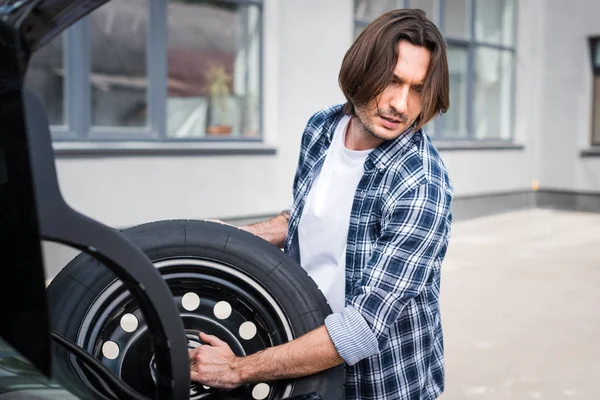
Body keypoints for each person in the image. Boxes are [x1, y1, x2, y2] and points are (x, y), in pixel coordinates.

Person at [190, 8, 453, 399]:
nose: (400, 104)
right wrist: (239, 238)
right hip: (302, 355)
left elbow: (361, 330)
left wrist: (238, 369)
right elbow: (311, 216)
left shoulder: (421, 185)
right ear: (363, 71)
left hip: (378, 385)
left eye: (417, 89)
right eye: (392, 81)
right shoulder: (322, 129)